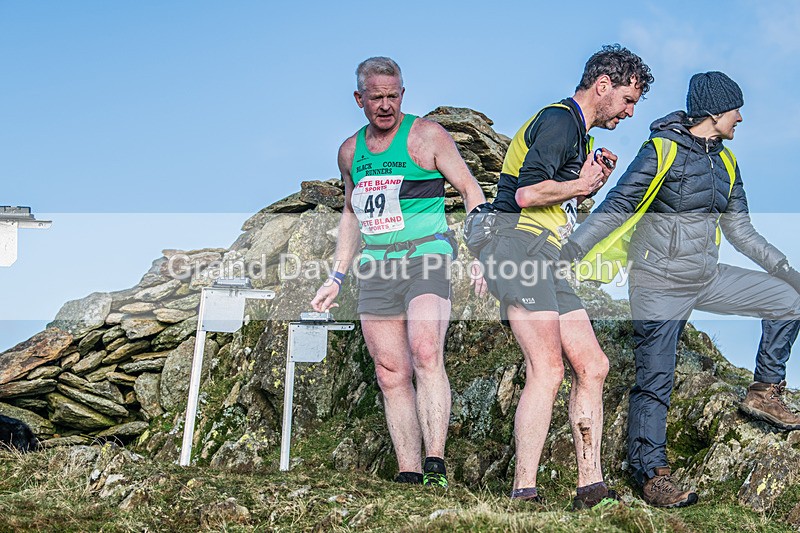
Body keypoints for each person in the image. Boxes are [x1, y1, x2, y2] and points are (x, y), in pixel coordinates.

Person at [562, 71, 800, 508]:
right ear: (714, 111)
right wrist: (573, 248)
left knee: (789, 301)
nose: (741, 118)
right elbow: (618, 205)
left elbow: (741, 231)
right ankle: (650, 473)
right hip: (658, 284)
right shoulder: (662, 150)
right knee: (656, 381)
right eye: (735, 109)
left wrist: (785, 270)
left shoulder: (726, 162)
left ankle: (764, 392)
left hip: (705, 277)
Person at [479, 44, 652, 509]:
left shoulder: (580, 136)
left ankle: (590, 487)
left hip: (547, 256)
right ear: (603, 86)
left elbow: (556, 199)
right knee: (548, 369)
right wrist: (580, 184)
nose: (630, 112)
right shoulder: (559, 121)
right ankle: (523, 492)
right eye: (628, 100)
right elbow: (526, 194)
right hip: (520, 249)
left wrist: (588, 181)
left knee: (593, 365)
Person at [310, 57, 487, 488]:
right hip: (376, 266)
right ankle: (408, 471)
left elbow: (470, 188)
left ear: (402, 95)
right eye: (376, 98)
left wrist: (481, 250)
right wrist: (336, 277)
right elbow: (351, 215)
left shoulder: (427, 136)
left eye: (393, 96)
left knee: (426, 349)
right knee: (390, 370)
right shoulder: (350, 152)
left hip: (426, 255)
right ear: (359, 100)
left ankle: (435, 465)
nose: (386, 105)